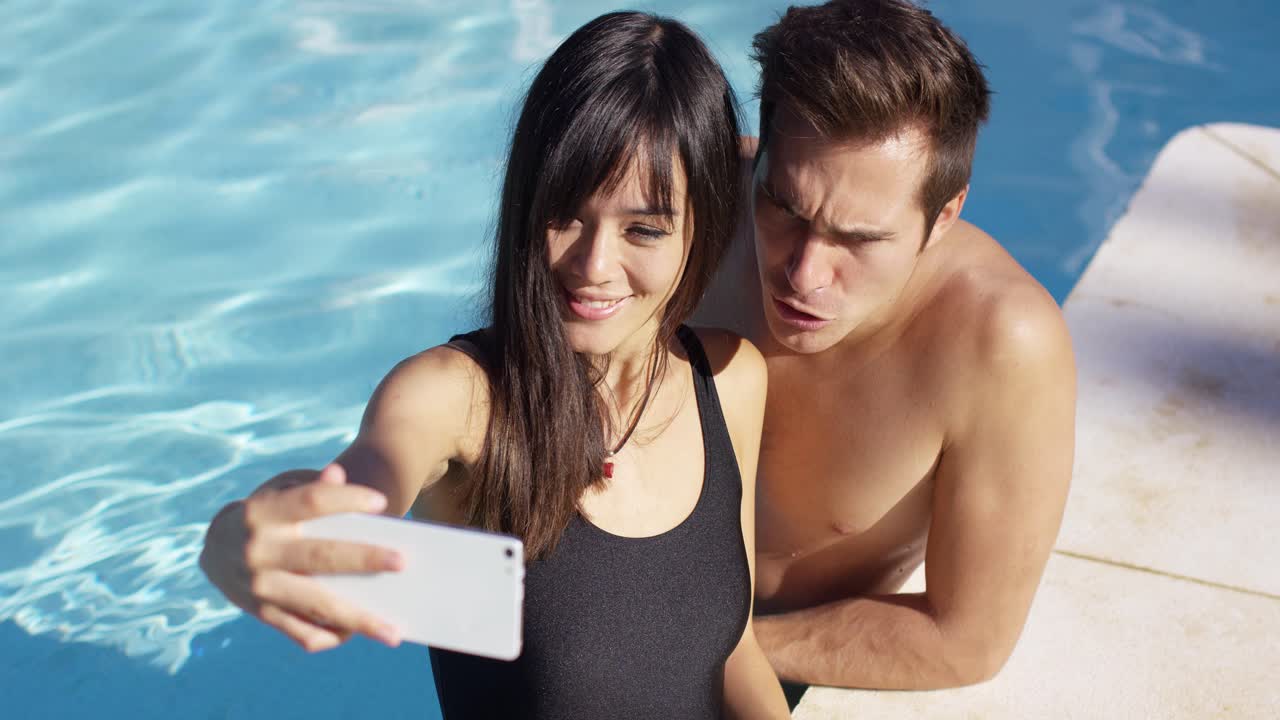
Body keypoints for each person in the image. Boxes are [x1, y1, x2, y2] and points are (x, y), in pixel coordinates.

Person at [199, 12, 790, 719]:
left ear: (703, 229)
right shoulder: (461, 400)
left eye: (644, 229)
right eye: (563, 214)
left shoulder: (730, 381)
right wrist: (244, 536)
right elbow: (367, 477)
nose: (594, 266)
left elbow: (733, 652)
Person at [694, 0, 1077, 698]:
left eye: (860, 239)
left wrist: (716, 654)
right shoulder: (690, 208)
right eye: (785, 207)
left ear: (944, 217)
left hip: (789, 656)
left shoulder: (998, 344)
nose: (804, 274)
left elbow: (965, 640)